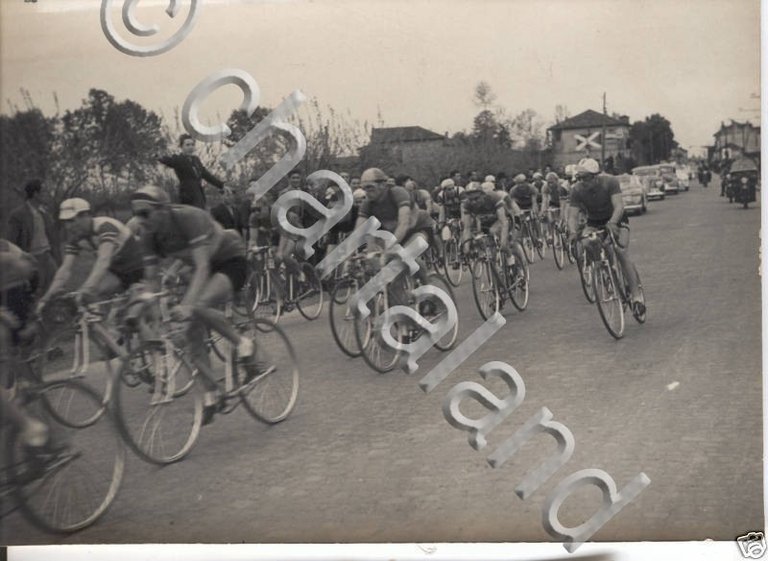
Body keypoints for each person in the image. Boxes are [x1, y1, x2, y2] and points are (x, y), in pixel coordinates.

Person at [129, 185, 257, 424]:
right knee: (191, 335)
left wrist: (187, 305)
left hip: (229, 258)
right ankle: (211, 394)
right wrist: (153, 313)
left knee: (197, 306)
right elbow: (151, 279)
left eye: (144, 213)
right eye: (135, 214)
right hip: (202, 267)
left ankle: (244, 344)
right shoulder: (148, 235)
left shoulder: (188, 217)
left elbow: (202, 266)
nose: (140, 220)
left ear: (163, 209)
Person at [37, 198, 146, 314]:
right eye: (65, 222)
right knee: (98, 300)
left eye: (71, 220)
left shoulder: (105, 226)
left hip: (139, 269)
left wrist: (86, 289)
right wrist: (46, 298)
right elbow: (64, 270)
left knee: (134, 317)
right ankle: (109, 327)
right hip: (117, 272)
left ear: (86, 215)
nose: (68, 226)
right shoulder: (76, 237)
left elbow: (103, 260)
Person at [567, 158, 644, 313]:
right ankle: (606, 271)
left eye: (585, 178)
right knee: (587, 243)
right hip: (594, 222)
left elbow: (619, 205)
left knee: (621, 251)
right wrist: (573, 232)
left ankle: (637, 297)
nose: (582, 181)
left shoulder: (609, 182)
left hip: (616, 218)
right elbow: (573, 216)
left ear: (595, 176)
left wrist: (613, 222)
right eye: (579, 178)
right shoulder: (577, 190)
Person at [0, 238, 49, 448]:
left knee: (14, 346)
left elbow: (24, 265)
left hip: (13, 286)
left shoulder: (7, 253)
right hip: (13, 285)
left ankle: (28, 422)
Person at [354, 167, 433, 286]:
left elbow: (403, 224)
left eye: (370, 187)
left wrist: (388, 249)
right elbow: (359, 231)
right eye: (364, 188)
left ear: (382, 184)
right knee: (390, 274)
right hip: (395, 233)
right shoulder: (367, 203)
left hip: (417, 229)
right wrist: (351, 256)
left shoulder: (397, 193)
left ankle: (429, 290)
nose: (367, 192)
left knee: (406, 256)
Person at [7, 179, 61, 297]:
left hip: (47, 255)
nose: (47, 195)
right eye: (44, 192)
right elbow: (12, 241)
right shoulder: (18, 215)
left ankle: (51, 312)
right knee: (37, 292)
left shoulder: (44, 213)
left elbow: (53, 238)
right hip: (32, 257)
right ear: (36, 194)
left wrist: (57, 258)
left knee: (55, 288)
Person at [158, 134, 229, 209]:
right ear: (181, 147)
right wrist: (159, 157)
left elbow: (206, 175)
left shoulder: (196, 160)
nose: (190, 147)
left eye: (192, 144)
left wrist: (221, 185)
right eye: (187, 145)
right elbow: (169, 161)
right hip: (187, 196)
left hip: (199, 195)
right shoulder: (178, 159)